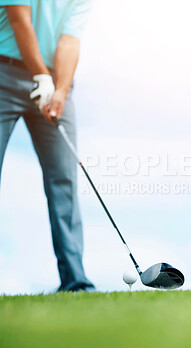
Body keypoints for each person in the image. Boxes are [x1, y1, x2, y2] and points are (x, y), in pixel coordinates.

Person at [0, 0, 94, 292]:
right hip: (5, 74)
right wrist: (40, 74)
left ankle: (75, 282)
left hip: (55, 83)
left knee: (64, 179)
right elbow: (19, 20)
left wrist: (60, 91)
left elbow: (69, 40)